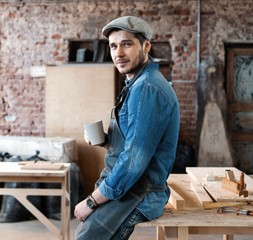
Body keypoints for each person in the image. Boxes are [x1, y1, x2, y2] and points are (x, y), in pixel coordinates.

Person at [74, 16, 180, 240]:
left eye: (127, 44)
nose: (118, 53)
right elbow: (134, 142)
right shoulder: (136, 83)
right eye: (113, 46)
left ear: (146, 46)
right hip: (126, 186)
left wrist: (93, 200)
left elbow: (134, 160)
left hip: (138, 193)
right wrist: (105, 140)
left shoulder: (147, 89)